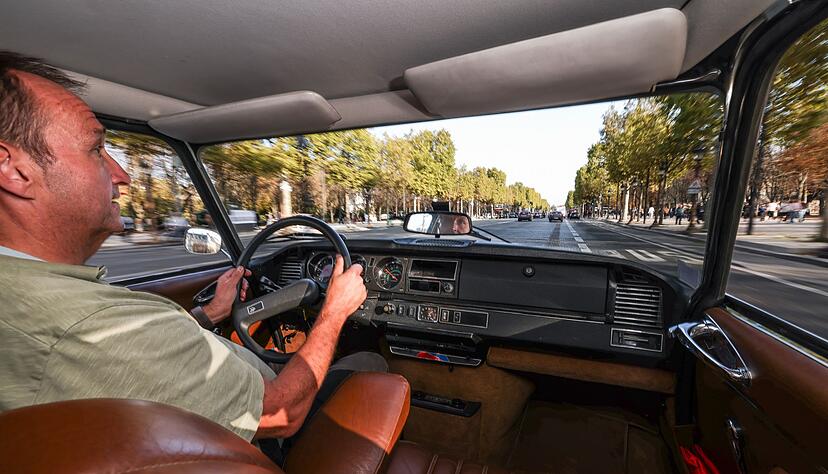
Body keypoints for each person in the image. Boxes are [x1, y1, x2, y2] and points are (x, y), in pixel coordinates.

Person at [0, 52, 383, 447]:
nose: (122, 174)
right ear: (12, 169)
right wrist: (335, 310)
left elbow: (143, 358)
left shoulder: (43, 305)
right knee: (370, 364)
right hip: (251, 443)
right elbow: (281, 413)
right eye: (96, 150)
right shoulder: (84, 323)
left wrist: (209, 313)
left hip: (194, 427)